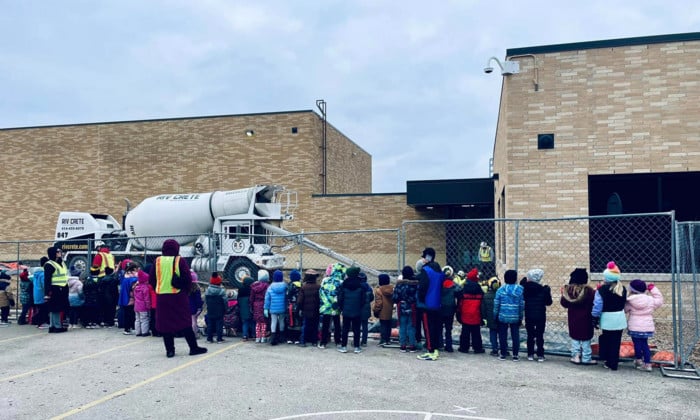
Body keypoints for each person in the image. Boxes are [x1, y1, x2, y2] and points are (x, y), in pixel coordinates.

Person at [148, 239, 207, 358]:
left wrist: (158, 289)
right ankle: (193, 347)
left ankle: (170, 351)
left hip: (162, 297)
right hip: (178, 296)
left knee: (165, 324)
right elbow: (187, 279)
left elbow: (152, 279)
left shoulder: (157, 261)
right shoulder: (179, 260)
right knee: (185, 322)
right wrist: (183, 290)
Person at [592, 261, 627, 371]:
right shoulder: (623, 289)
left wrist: (594, 317)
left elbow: (598, 305)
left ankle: (608, 360)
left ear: (606, 278)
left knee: (607, 339)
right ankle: (614, 362)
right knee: (616, 341)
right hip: (619, 318)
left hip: (607, 318)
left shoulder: (601, 290)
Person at [625, 279, 663, 372]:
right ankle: (648, 364)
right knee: (645, 345)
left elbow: (625, 310)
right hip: (647, 326)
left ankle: (638, 360)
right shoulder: (650, 300)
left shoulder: (630, 301)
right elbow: (659, 300)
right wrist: (653, 289)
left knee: (637, 344)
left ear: (632, 290)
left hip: (634, 325)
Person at [560, 268, 597, 365]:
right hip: (587, 319)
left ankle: (575, 356)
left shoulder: (569, 290)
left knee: (575, 338)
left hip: (573, 318)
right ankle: (586, 358)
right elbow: (594, 303)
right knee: (586, 339)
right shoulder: (589, 291)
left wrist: (563, 295)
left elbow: (564, 304)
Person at [416, 247, 443, 361]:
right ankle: (435, 349)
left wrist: (420, 299)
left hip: (427, 303)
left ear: (427, 257)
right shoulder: (439, 270)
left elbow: (423, 287)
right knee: (435, 327)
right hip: (437, 302)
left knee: (428, 328)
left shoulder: (426, 270)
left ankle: (430, 350)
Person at [522, 268, 552, 362]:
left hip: (529, 314)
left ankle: (530, 353)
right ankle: (540, 354)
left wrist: (523, 282)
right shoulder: (544, 290)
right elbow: (548, 302)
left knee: (530, 335)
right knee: (540, 335)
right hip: (540, 315)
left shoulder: (525, 289)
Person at [494, 269, 524, 361]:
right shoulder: (520, 290)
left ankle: (503, 353)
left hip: (502, 316)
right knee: (515, 335)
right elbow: (521, 305)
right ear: (515, 279)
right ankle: (515, 355)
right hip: (515, 316)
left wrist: (495, 316)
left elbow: (496, 304)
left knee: (502, 335)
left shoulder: (500, 290)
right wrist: (520, 317)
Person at [456, 268, 485, 354]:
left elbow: (460, 302)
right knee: (476, 332)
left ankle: (464, 347)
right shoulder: (479, 289)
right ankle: (477, 348)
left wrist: (459, 313)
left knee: (465, 332)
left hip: (465, 313)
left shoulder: (464, 289)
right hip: (476, 313)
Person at [338, 266, 365, 353]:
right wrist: (359, 307)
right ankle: (357, 347)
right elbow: (363, 300)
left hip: (346, 310)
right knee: (356, 329)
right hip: (357, 311)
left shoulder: (344, 284)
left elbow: (340, 298)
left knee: (345, 328)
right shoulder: (360, 285)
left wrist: (342, 308)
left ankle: (343, 346)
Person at [393, 266, 419, 352]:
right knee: (411, 326)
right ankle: (412, 345)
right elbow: (417, 297)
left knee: (402, 326)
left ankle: (403, 345)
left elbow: (395, 297)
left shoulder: (399, 284)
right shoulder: (415, 285)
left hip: (401, 307)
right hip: (412, 307)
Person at [44, 247, 69, 333]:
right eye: (58, 252)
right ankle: (57, 326)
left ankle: (53, 326)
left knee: (56, 308)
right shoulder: (49, 264)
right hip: (55, 288)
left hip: (62, 288)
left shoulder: (61, 263)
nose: (60, 253)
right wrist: (47, 293)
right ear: (53, 253)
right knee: (55, 308)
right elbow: (47, 280)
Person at [319, 263, 344, 349]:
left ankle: (323, 342)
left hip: (326, 305)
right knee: (337, 323)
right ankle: (338, 341)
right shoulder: (341, 282)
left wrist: (323, 302)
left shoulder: (325, 280)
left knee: (325, 324)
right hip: (335, 306)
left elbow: (321, 291)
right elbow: (341, 294)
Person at [297, 269, 321, 347]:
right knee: (315, 326)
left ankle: (303, 341)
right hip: (316, 310)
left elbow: (300, 300)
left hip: (306, 310)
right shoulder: (318, 287)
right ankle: (314, 341)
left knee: (305, 325)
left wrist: (299, 308)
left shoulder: (304, 287)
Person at [228, 272, 255, 341]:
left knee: (245, 322)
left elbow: (238, 300)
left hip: (243, 310)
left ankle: (245, 336)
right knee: (252, 322)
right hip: (250, 309)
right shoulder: (251, 290)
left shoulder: (240, 290)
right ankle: (253, 335)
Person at [264, 270, 288, 346]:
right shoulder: (285, 286)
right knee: (281, 321)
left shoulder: (270, 287)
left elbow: (267, 299)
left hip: (273, 308)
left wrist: (266, 308)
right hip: (282, 307)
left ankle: (273, 337)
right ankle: (281, 336)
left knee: (273, 322)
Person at [439, 266, 459, 352]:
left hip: (440, 308)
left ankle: (439, 344)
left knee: (439, 327)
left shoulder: (439, 284)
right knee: (448, 328)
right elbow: (459, 290)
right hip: (450, 309)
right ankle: (449, 346)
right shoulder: (453, 284)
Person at [205, 272, 228, 343]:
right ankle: (219, 338)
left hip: (210, 309)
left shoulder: (207, 290)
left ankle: (209, 338)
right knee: (219, 324)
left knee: (210, 324)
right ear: (219, 282)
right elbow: (225, 301)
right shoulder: (222, 291)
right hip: (219, 310)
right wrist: (226, 309)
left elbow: (206, 300)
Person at [373, 273, 394, 346]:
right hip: (390, 310)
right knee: (388, 325)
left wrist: (375, 311)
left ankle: (383, 340)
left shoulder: (379, 290)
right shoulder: (392, 289)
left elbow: (379, 303)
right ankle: (388, 339)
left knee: (383, 326)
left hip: (382, 311)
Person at [250, 269, 270, 343]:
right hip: (263, 304)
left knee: (258, 322)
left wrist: (251, 306)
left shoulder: (254, 286)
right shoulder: (267, 286)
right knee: (264, 322)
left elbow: (251, 298)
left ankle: (257, 337)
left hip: (256, 305)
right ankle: (263, 337)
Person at [482, 277, 501, 356]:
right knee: (502, 334)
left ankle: (494, 349)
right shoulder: (501, 295)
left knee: (492, 333)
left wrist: (484, 317)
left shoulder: (486, 295)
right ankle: (504, 348)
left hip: (490, 317)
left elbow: (483, 308)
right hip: (500, 317)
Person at [119, 262, 139, 335]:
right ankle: (129, 328)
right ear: (134, 269)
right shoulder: (134, 279)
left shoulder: (124, 277)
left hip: (124, 298)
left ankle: (127, 328)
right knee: (130, 314)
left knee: (126, 314)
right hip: (130, 299)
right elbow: (133, 289)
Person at [133, 269, 153, 336]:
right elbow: (146, 299)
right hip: (143, 307)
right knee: (144, 319)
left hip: (136, 306)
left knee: (137, 319)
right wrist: (148, 306)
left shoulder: (136, 287)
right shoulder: (145, 288)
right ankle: (145, 332)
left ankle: (138, 332)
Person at [285, 269, 303, 344]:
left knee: (290, 322)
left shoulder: (289, 285)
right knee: (298, 322)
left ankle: (289, 338)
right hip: (299, 306)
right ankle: (297, 339)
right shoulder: (301, 285)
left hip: (290, 306)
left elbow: (287, 295)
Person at [32, 258, 49, 328]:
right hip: (42, 294)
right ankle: (41, 323)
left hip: (36, 294)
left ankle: (38, 323)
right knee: (44, 310)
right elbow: (44, 284)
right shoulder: (43, 274)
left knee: (40, 309)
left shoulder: (35, 274)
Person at [358, 272, 374, 347]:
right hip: (366, 308)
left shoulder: (357, 286)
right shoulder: (368, 287)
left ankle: (357, 340)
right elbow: (371, 298)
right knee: (365, 326)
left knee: (357, 325)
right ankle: (364, 341)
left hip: (358, 308)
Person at [188, 272, 203, 337]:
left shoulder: (185, 288)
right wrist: (199, 307)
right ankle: (194, 334)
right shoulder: (196, 289)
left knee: (189, 321)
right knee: (194, 321)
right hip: (194, 307)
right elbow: (198, 299)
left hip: (186, 306)